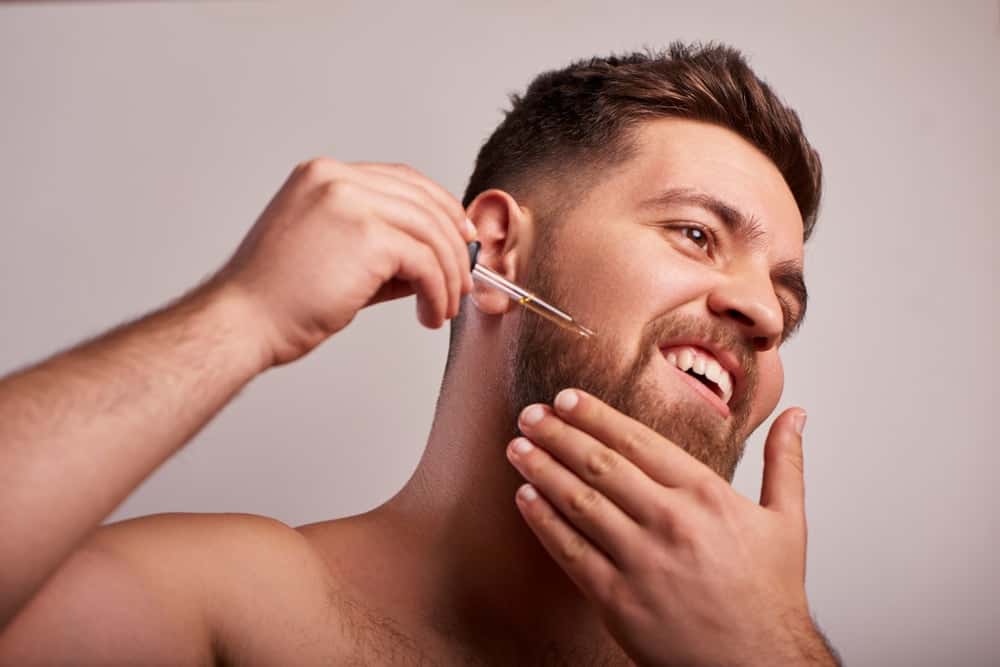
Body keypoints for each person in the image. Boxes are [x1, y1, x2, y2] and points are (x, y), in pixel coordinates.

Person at [0, 43, 841, 665]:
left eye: (786, 303)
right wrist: (241, 315)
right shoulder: (236, 609)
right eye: (696, 234)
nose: (764, 313)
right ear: (499, 250)